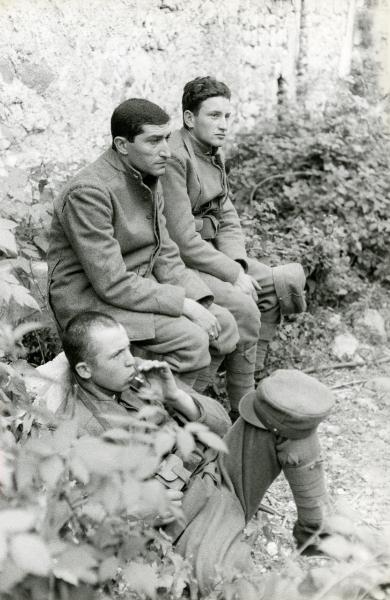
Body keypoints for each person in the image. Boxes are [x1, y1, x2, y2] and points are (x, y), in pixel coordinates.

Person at [59, 311, 334, 593]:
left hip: (223, 471)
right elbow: (91, 519)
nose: (130, 359)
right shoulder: (80, 428)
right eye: (117, 355)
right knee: (235, 587)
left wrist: (176, 396)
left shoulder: (140, 376)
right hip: (190, 519)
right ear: (84, 370)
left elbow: (221, 425)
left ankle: (314, 533)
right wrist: (144, 512)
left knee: (287, 407)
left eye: (128, 347)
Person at [47, 98, 240, 389]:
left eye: (167, 138)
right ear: (123, 145)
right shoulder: (88, 192)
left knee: (223, 325)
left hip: (137, 290)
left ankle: (180, 410)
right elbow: (111, 282)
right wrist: (184, 305)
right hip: (91, 303)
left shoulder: (148, 175)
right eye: (153, 141)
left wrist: (200, 300)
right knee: (192, 341)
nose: (166, 151)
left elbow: (165, 255)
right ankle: (145, 418)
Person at [161, 76, 307, 417]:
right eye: (214, 115)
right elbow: (182, 240)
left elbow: (226, 214)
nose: (223, 125)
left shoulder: (212, 152)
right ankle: (241, 411)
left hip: (212, 253)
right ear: (189, 118)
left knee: (278, 283)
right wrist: (230, 274)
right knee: (244, 307)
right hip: (184, 262)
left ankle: (252, 378)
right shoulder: (175, 158)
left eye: (228, 116)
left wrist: (237, 265)